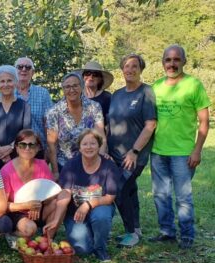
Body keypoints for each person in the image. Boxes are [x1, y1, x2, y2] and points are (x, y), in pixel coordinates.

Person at [150, 44, 210, 249]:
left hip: (183, 152)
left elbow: (204, 121)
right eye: (168, 60)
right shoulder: (156, 86)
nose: (172, 64)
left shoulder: (194, 85)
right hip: (158, 151)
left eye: (176, 59)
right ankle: (166, 231)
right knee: (160, 195)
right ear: (162, 62)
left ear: (184, 61)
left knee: (183, 197)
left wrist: (197, 150)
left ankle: (187, 235)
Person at [45, 129, 120, 261]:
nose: (89, 147)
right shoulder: (71, 165)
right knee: (83, 249)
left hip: (99, 207)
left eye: (93, 143)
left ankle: (100, 248)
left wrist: (87, 204)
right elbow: (65, 194)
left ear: (99, 145)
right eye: (85, 144)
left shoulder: (109, 166)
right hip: (75, 213)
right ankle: (91, 233)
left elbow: (110, 197)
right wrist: (56, 220)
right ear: (79, 147)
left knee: (101, 216)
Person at [108, 54, 157, 247]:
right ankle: (136, 228)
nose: (130, 69)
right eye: (126, 66)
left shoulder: (146, 92)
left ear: (141, 69)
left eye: (134, 66)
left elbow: (150, 125)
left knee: (119, 189)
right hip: (114, 155)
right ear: (122, 69)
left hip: (134, 156)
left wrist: (134, 151)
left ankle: (131, 233)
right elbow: (110, 123)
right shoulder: (117, 94)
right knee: (130, 190)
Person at [46, 72, 106, 180]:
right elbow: (52, 145)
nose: (71, 90)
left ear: (82, 87)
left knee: (92, 196)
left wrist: (100, 165)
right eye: (67, 87)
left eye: (75, 85)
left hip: (91, 164)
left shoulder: (94, 107)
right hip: (65, 167)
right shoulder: (54, 112)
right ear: (63, 90)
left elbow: (101, 137)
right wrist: (55, 172)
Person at [1, 130, 58, 239]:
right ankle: (13, 234)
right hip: (17, 212)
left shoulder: (42, 165)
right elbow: (2, 205)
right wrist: (28, 205)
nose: (27, 148)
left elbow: (53, 193)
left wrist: (38, 203)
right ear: (17, 148)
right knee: (30, 229)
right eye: (23, 145)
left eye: (32, 145)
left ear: (37, 149)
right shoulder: (6, 171)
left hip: (39, 210)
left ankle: (47, 237)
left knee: (58, 202)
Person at [0, 65, 31, 168]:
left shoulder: (24, 106)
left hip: (17, 158)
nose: (6, 84)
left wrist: (10, 148)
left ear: (16, 82)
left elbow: (26, 133)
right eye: (2, 81)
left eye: (9, 80)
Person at [15, 57, 53, 150]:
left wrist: (49, 149)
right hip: (14, 150)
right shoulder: (7, 94)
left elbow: (49, 123)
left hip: (38, 148)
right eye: (20, 67)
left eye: (28, 67)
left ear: (32, 72)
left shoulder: (43, 93)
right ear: (14, 71)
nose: (23, 69)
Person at [79, 61, 113, 126]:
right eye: (87, 73)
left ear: (100, 79)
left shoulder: (107, 97)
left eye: (95, 74)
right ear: (83, 77)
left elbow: (110, 122)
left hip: (99, 134)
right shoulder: (76, 95)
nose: (91, 77)